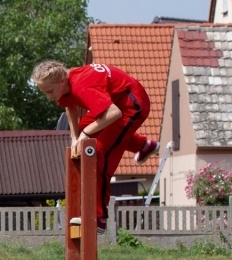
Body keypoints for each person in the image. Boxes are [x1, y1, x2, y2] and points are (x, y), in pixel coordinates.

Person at [32, 60, 160, 230]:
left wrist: (84, 135)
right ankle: (143, 145)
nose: (49, 97)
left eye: (50, 91)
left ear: (62, 81)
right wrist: (75, 136)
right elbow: (69, 105)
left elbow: (114, 113)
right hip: (116, 100)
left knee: (98, 154)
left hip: (132, 104)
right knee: (87, 129)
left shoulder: (82, 87)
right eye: (45, 93)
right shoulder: (65, 82)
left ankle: (97, 217)